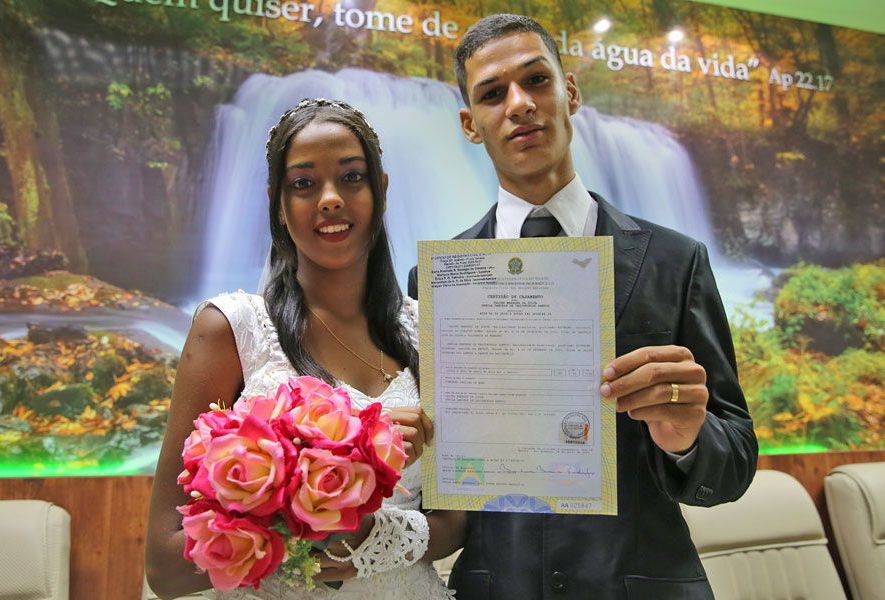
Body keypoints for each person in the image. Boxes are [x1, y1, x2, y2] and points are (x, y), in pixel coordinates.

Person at [407, 14, 758, 599]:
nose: (519, 104)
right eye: (492, 94)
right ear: (471, 124)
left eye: (536, 80)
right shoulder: (435, 282)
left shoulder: (676, 260)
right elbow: (435, 484)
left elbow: (736, 461)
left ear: (569, 92)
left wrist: (689, 437)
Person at [146, 98, 465, 600]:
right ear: (277, 202)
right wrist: (316, 484)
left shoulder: (435, 331)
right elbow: (165, 565)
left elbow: (454, 523)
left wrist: (374, 540)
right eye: (303, 184)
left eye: (352, 177)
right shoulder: (231, 330)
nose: (331, 199)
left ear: (381, 191)